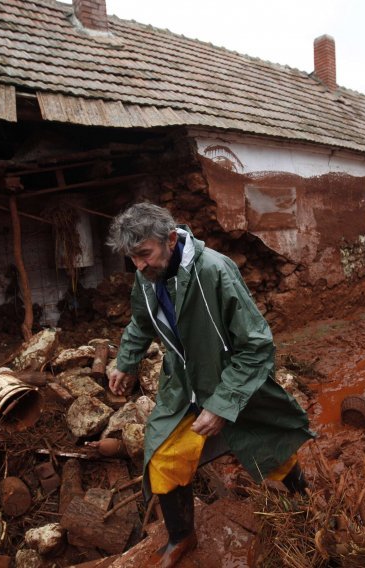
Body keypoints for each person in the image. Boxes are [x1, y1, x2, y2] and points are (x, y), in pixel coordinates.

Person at [106, 203, 314, 567]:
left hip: (235, 382)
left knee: (272, 448)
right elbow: (141, 321)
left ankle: (307, 512)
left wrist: (221, 404)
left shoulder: (215, 271)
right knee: (163, 457)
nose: (138, 265)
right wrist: (125, 362)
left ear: (170, 239)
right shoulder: (148, 276)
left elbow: (256, 345)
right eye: (132, 258)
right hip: (184, 386)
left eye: (143, 254)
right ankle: (182, 537)